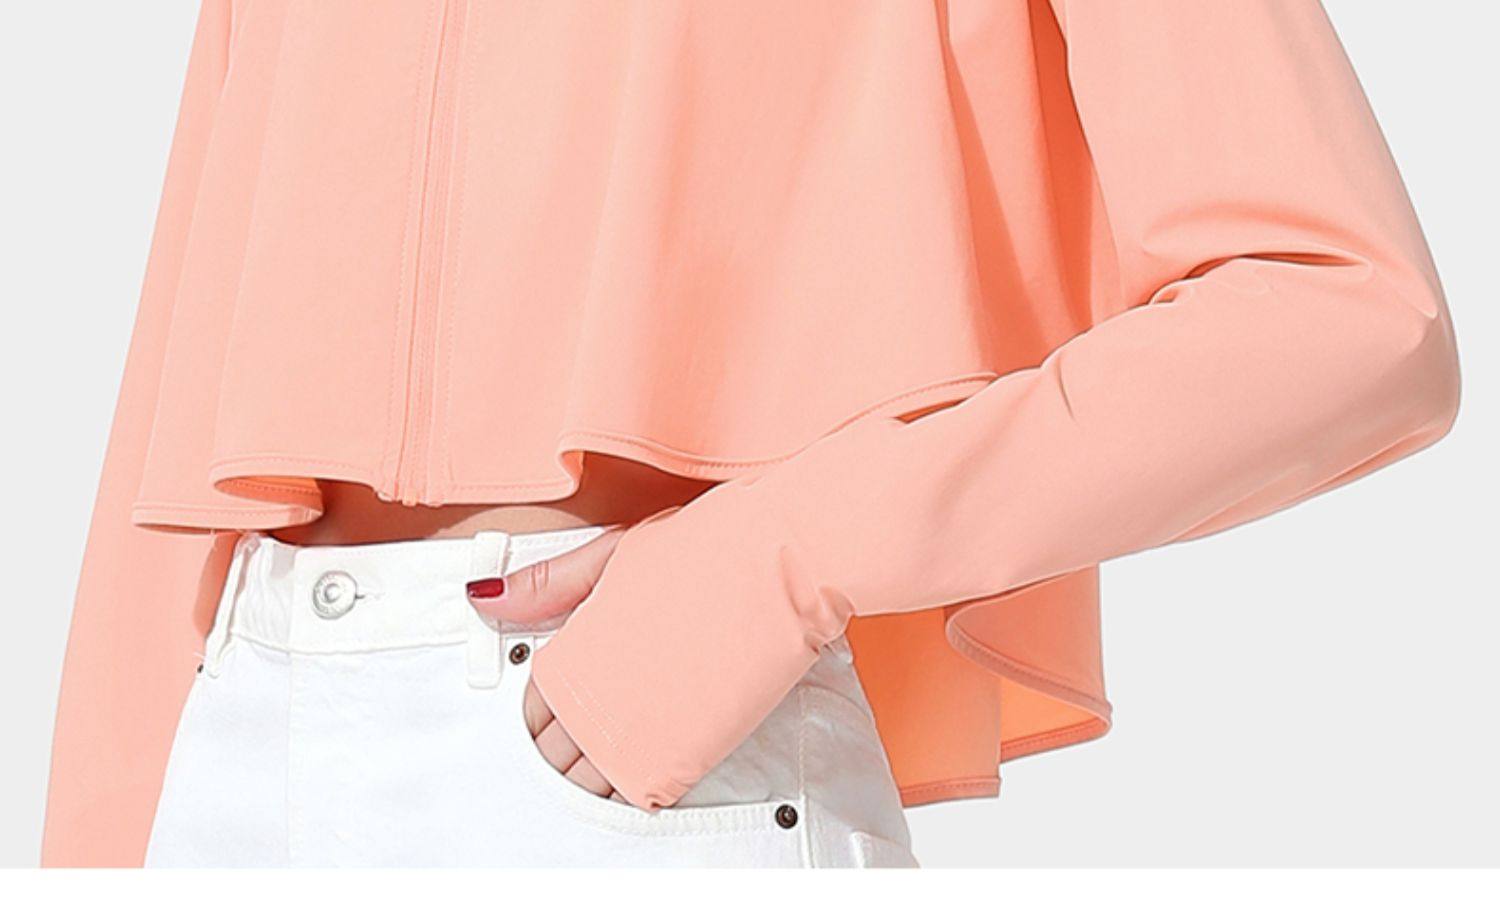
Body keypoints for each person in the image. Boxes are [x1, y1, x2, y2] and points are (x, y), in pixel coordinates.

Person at [42, 0, 1460, 868]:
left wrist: (777, 556)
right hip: (235, 760)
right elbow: (191, 367)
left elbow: (1351, 313)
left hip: (624, 761)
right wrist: (98, 852)